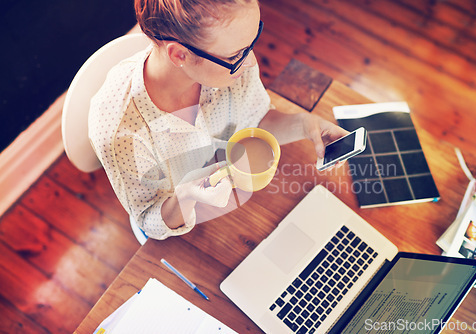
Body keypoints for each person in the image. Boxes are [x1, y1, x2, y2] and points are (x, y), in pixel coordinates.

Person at [89, 0, 348, 240]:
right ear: (180, 55)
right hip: (180, 230)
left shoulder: (234, 65)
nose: (249, 63)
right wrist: (186, 195)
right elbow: (149, 217)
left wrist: (305, 124)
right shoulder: (120, 131)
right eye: (236, 55)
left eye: (252, 41)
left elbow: (254, 122)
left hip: (234, 202)